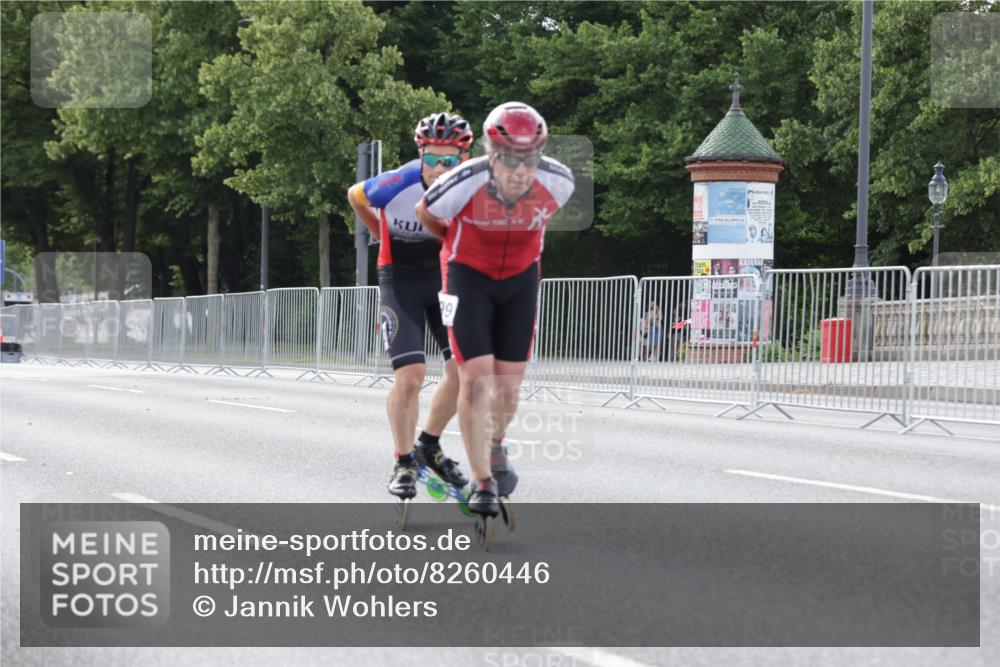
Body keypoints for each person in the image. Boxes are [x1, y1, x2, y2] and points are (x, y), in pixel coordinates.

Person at [415, 101, 574, 517]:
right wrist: (453, 242)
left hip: (520, 280)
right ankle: (482, 479)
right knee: (475, 381)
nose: (520, 170)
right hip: (467, 275)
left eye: (529, 159)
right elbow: (426, 214)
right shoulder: (461, 181)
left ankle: (495, 443)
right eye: (508, 159)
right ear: (490, 152)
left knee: (508, 385)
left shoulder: (559, 182)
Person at [347, 112, 473, 500]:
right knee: (410, 377)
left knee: (466, 371)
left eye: (448, 160)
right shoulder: (401, 181)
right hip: (398, 279)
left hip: (443, 282)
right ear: (420, 154)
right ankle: (403, 461)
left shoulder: (469, 190)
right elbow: (356, 195)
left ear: (464, 160)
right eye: (430, 158)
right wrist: (375, 230)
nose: (438, 167)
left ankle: (429, 446)